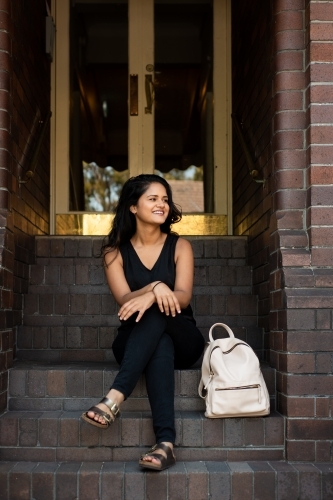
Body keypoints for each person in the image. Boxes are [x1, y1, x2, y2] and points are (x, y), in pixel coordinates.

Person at [82, 174, 205, 471]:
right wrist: (155, 287)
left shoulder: (180, 247)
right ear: (133, 207)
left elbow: (183, 298)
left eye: (165, 199)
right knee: (158, 343)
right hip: (134, 339)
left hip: (183, 336)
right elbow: (124, 298)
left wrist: (156, 292)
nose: (161, 204)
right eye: (153, 198)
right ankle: (165, 445)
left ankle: (115, 397)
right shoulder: (114, 252)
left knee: (161, 313)